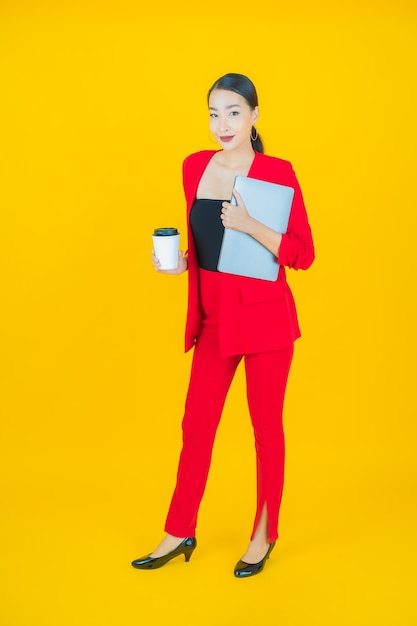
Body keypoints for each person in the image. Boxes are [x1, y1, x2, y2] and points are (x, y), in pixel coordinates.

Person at [132, 73, 314, 577]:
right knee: (196, 427)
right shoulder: (194, 167)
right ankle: (178, 529)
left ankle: (263, 534)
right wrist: (181, 263)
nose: (222, 124)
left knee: (265, 431)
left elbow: (303, 254)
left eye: (234, 112)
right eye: (214, 113)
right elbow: (211, 247)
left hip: (266, 320)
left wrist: (252, 224)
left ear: (255, 116)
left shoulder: (278, 172)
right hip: (214, 319)